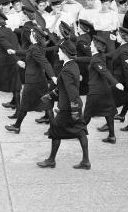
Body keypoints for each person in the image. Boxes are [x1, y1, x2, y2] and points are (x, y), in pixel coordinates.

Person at [36, 40, 90, 170]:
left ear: (65, 53)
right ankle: (85, 161)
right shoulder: (73, 65)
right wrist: (51, 95)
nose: (58, 53)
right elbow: (63, 88)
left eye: (60, 51)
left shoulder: (66, 70)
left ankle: (51, 160)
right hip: (75, 106)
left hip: (68, 108)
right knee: (81, 131)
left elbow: (71, 92)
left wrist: (73, 110)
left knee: (55, 130)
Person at [5, 26, 57, 133]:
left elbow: (44, 62)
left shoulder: (34, 48)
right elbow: (29, 54)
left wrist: (53, 77)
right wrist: (15, 52)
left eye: (31, 33)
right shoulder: (37, 46)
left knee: (24, 105)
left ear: (34, 35)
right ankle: (54, 129)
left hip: (32, 82)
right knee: (46, 105)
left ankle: (17, 126)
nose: (29, 34)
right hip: (40, 80)